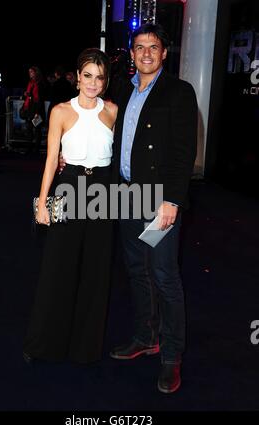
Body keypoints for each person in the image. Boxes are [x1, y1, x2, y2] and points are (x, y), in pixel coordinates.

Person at [109, 24, 198, 393]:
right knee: (136, 269)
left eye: (154, 47)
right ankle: (147, 337)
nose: (146, 53)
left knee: (163, 274)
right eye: (139, 47)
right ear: (132, 54)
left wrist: (172, 201)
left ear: (164, 54)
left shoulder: (179, 92)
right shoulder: (121, 89)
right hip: (126, 196)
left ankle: (172, 356)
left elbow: (182, 152)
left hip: (158, 200)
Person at [23, 48, 118, 364]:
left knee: (96, 269)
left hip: (103, 191)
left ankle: (85, 348)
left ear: (105, 82)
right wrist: (43, 203)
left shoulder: (113, 111)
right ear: (78, 77)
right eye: (87, 75)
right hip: (69, 187)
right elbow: (51, 159)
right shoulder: (61, 111)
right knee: (58, 266)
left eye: (99, 77)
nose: (93, 83)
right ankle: (45, 344)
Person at [21, 66, 46, 153]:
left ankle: (36, 149)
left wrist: (37, 112)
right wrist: (26, 94)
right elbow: (29, 95)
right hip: (29, 109)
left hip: (36, 110)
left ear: (36, 73)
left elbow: (40, 98)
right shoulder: (30, 83)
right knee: (29, 129)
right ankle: (29, 148)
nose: (30, 73)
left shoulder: (40, 83)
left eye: (32, 72)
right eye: (29, 72)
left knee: (37, 129)